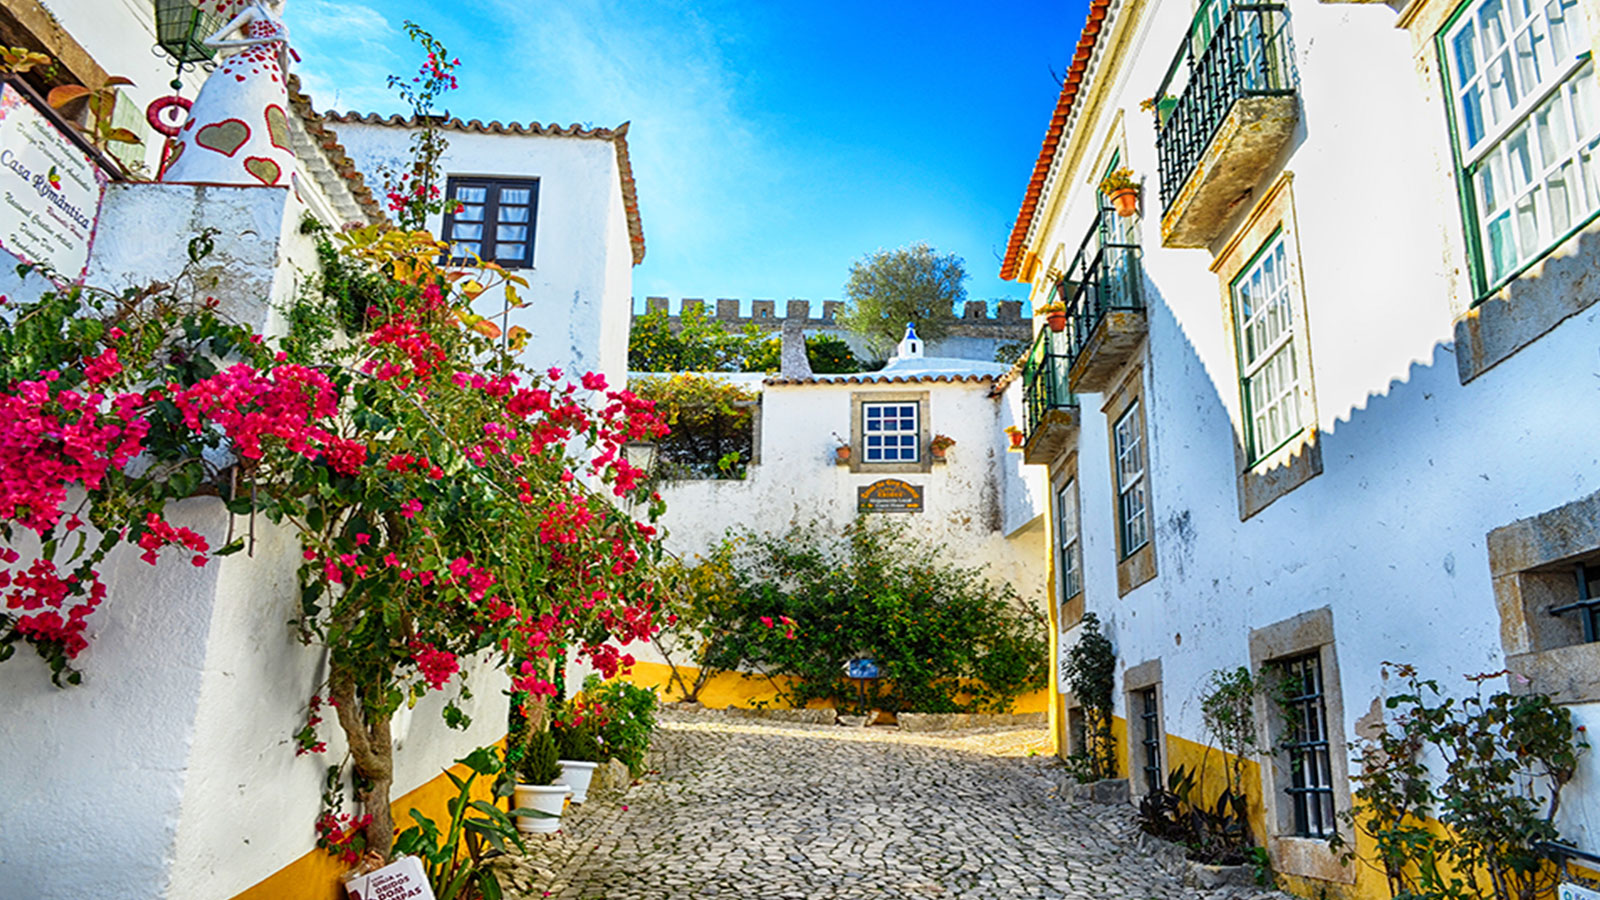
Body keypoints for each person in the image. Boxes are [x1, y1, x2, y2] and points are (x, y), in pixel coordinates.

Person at [161, 0, 295, 186]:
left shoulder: (277, 21)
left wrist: (283, 53)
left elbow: (283, 61)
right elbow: (211, 41)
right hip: (248, 65)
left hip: (271, 74)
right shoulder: (252, 12)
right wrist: (261, 41)